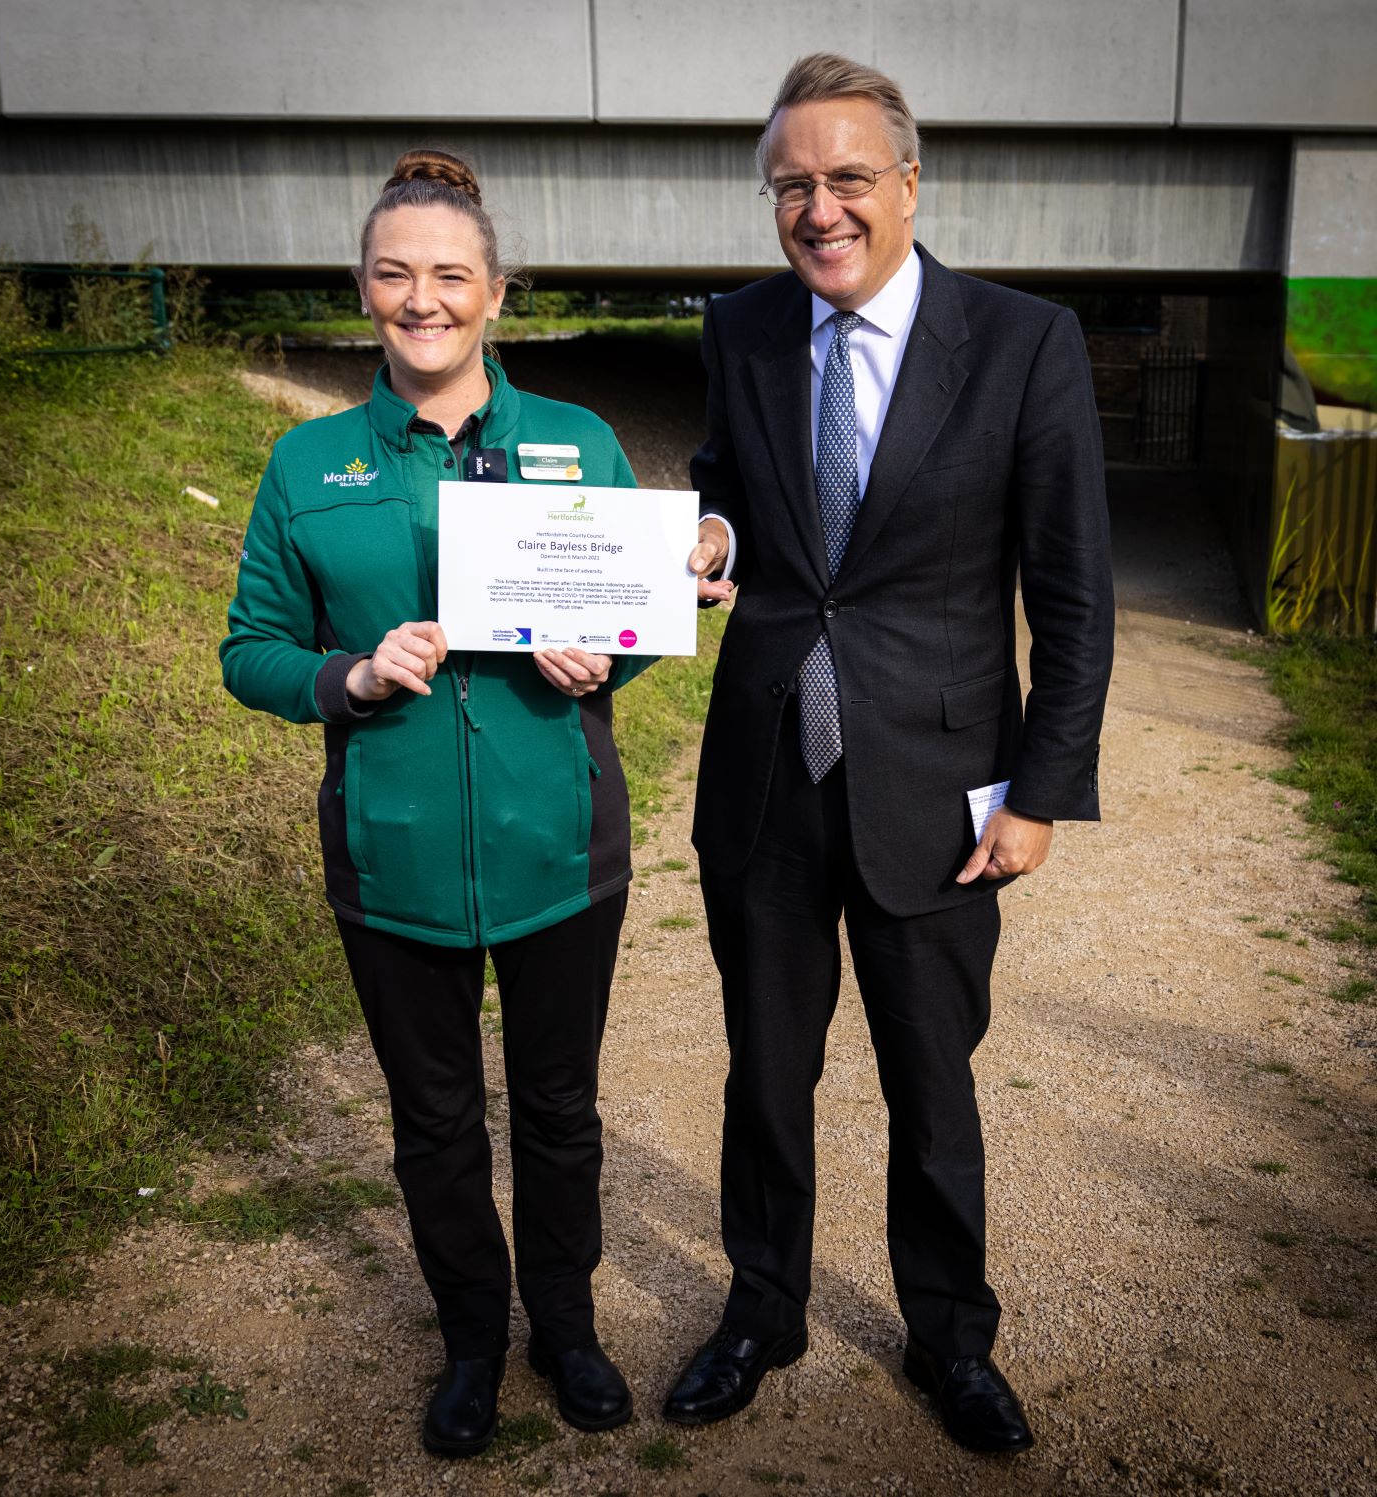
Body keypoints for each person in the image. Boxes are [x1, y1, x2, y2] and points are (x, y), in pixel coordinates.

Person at [673, 54, 1114, 1453]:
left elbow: (1074, 592)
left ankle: (951, 1337)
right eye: (792, 183)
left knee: (933, 1079)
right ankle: (760, 1309)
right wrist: (714, 542)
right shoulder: (741, 329)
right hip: (764, 781)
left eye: (848, 176)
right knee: (762, 1068)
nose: (819, 208)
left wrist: (1043, 792)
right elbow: (731, 493)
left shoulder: (1024, 342)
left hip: (935, 792)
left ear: (908, 183)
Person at [221, 150, 650, 1459]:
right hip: (391, 858)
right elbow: (251, 649)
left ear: (495, 292)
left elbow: (629, 622)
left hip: (559, 850)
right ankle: (472, 1336)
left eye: (449, 274)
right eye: (395, 274)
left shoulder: (576, 440)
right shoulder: (310, 464)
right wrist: (349, 673)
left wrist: (603, 650)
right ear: (365, 289)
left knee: (561, 1109)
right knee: (438, 1121)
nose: (423, 299)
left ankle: (565, 1327)